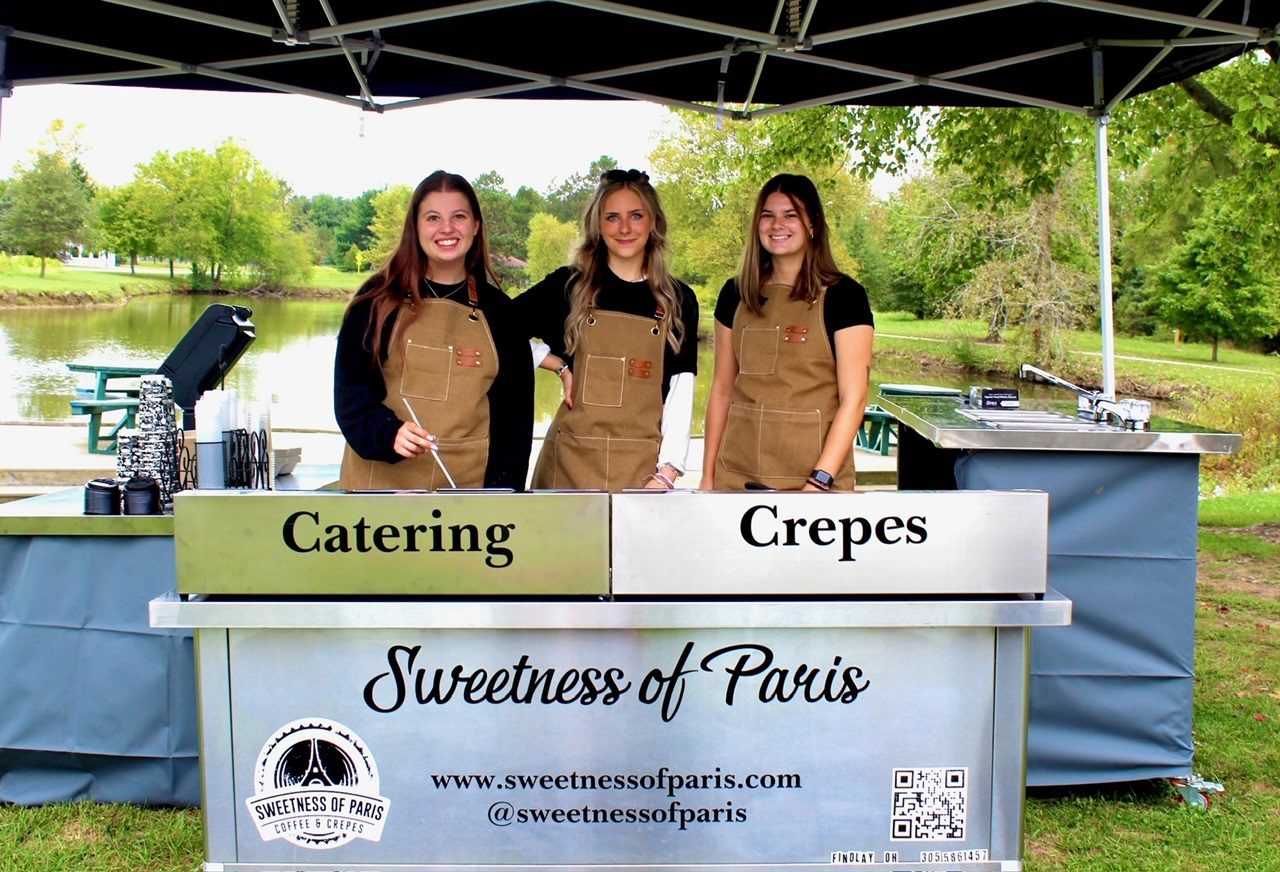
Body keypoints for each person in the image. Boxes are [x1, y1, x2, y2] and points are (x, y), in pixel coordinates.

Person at [334, 170, 533, 490]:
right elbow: (351, 397)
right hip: (377, 502)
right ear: (415, 227)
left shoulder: (501, 314)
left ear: (476, 225)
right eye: (432, 218)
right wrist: (388, 432)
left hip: (466, 504)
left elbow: (514, 427)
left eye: (458, 216)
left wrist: (501, 499)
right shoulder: (376, 300)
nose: (447, 228)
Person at [515, 169, 699, 492]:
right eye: (612, 217)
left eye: (636, 216)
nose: (625, 228)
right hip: (568, 470)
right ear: (598, 225)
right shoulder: (568, 286)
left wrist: (667, 473)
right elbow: (496, 331)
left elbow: (681, 390)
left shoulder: (678, 299)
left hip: (642, 475)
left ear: (653, 221)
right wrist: (554, 363)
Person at [701, 173, 874, 492]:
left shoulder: (845, 296)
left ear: (813, 225)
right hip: (737, 477)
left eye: (791, 215)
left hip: (814, 485)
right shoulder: (734, 293)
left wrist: (818, 482)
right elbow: (722, 389)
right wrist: (708, 475)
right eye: (768, 216)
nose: (777, 225)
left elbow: (855, 400)